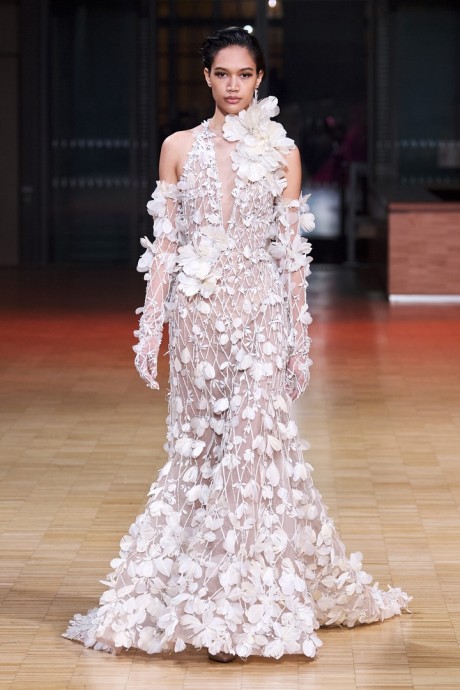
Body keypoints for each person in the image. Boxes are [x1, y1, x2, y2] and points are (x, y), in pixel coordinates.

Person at [63, 26, 411, 663]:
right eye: (222, 73)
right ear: (206, 78)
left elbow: (292, 256)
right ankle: (195, 595)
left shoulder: (284, 153)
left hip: (260, 320)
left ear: (259, 80)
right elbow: (165, 244)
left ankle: (234, 612)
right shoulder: (176, 148)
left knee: (251, 454)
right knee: (200, 454)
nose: (232, 85)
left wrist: (298, 340)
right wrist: (151, 326)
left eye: (244, 74)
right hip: (197, 322)